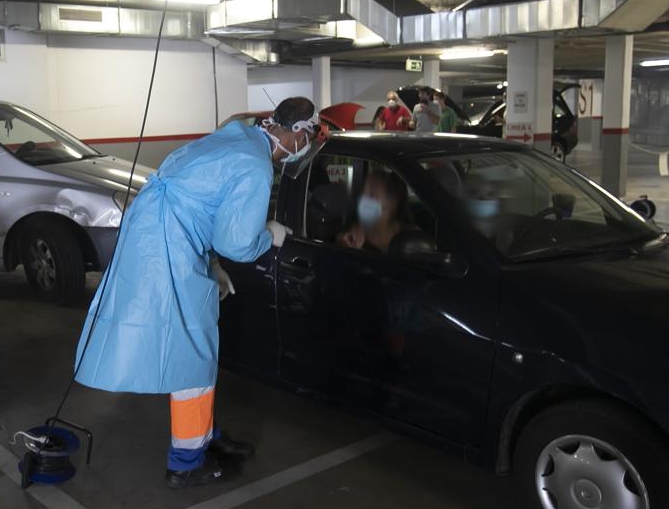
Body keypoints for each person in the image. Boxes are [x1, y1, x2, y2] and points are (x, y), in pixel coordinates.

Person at [73, 96, 318, 488]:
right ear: (295, 133)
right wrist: (269, 236)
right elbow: (237, 242)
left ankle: (205, 435)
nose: (306, 148)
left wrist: (211, 263)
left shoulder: (237, 135)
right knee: (193, 355)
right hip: (169, 246)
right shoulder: (256, 167)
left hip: (156, 233)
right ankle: (186, 461)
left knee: (191, 347)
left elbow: (205, 199)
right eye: (308, 138)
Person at [338, 171, 414, 254]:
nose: (364, 199)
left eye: (373, 194)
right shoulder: (353, 229)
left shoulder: (410, 238)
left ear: (392, 202)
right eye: (364, 192)